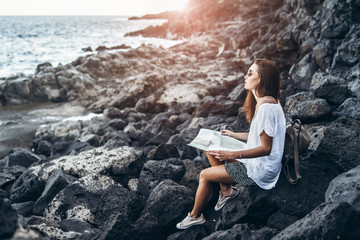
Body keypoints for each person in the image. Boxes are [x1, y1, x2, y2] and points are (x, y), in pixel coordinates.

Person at [176, 58, 286, 230]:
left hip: (259, 171)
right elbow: (261, 136)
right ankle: (226, 191)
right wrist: (234, 135)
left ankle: (195, 216)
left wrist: (233, 155)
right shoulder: (270, 101)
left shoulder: (265, 108)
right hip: (257, 161)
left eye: (250, 73)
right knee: (210, 145)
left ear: (261, 79)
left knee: (204, 175)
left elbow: (266, 148)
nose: (245, 76)